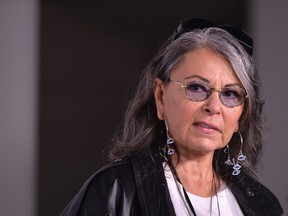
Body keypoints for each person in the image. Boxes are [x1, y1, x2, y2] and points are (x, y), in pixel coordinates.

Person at [61, 18, 283, 216]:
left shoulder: (263, 204)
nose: (214, 107)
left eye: (230, 94)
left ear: (242, 114)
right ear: (160, 96)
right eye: (197, 88)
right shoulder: (114, 190)